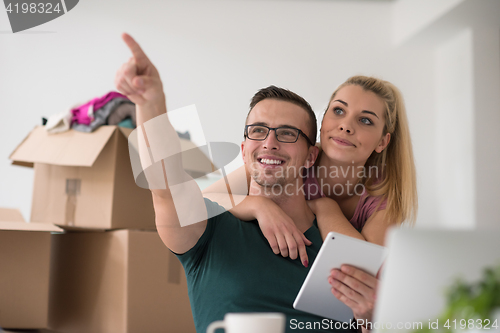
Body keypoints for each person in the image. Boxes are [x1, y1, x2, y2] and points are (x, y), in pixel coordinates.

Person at [115, 33, 367, 333]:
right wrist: (152, 104)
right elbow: (166, 186)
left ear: (311, 155)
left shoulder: (334, 244)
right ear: (244, 147)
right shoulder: (210, 230)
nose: (270, 143)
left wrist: (369, 319)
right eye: (258, 131)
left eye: (287, 133)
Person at [203, 76, 418, 328]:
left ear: (383, 141)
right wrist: (258, 206)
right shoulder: (286, 156)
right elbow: (204, 201)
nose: (346, 126)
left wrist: (326, 208)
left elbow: (359, 272)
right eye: (338, 111)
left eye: (365, 120)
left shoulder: (383, 201)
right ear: (323, 119)